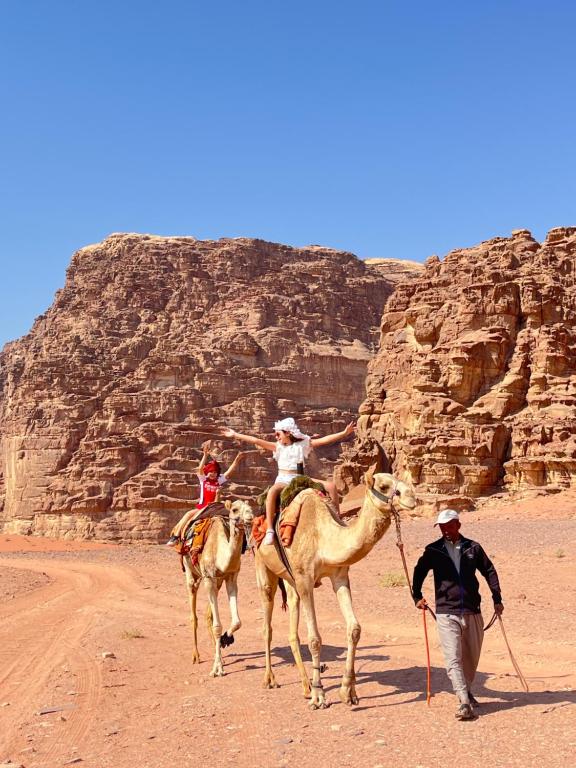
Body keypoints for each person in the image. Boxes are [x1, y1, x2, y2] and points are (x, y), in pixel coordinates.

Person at [411, 508, 504, 721]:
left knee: (471, 657)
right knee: (453, 658)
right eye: (442, 527)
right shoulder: (433, 550)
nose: (445, 530)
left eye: (449, 526)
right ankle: (463, 701)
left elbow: (489, 570)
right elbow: (419, 571)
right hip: (446, 612)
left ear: (458, 525)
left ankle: (467, 690)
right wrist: (416, 596)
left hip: (473, 610)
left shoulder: (473, 548)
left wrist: (497, 598)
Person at [220, 417, 355, 545]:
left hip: (300, 477)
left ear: (288, 433)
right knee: (273, 491)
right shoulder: (277, 446)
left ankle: (338, 521)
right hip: (284, 478)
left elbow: (324, 440)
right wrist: (235, 435)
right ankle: (270, 530)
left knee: (331, 486)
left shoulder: (303, 444)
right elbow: (255, 440)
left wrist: (344, 433)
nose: (276, 436)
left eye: (278, 434)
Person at [166, 444, 246, 547]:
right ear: (207, 472)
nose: (213, 474)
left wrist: (237, 460)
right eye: (211, 472)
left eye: (215, 472)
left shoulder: (219, 481)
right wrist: (205, 455)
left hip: (216, 507)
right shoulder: (203, 480)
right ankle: (176, 537)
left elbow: (229, 471)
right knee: (187, 515)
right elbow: (200, 469)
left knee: (236, 515)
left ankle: (243, 541)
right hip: (203, 507)